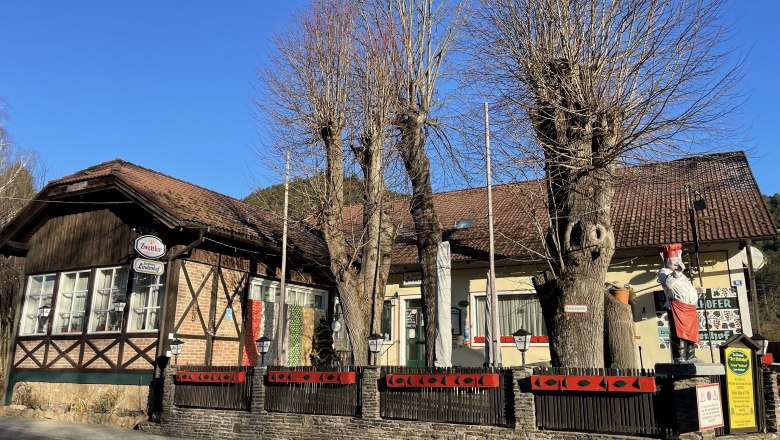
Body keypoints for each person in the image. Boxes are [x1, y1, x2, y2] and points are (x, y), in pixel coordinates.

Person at [657, 244, 702, 363]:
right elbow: (667, 284)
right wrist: (677, 272)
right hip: (677, 307)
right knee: (679, 333)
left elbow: (686, 289)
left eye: (678, 261)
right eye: (673, 261)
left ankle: (691, 355)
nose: (676, 263)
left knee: (692, 333)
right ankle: (679, 356)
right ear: (667, 261)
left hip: (690, 308)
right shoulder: (664, 272)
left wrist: (696, 292)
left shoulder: (682, 274)